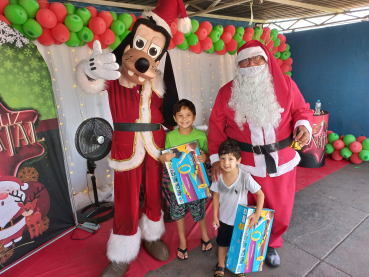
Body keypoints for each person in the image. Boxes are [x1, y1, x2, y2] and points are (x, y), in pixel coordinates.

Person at [75, 0, 192, 275]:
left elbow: (172, 111)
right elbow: (91, 80)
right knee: (125, 199)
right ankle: (122, 252)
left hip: (156, 147)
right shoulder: (115, 76)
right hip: (125, 147)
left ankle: (152, 236)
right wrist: (90, 69)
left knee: (154, 194)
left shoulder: (160, 81)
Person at [208, 40, 313, 268]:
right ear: (238, 65)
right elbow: (216, 127)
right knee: (242, 205)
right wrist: (216, 160)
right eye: (244, 61)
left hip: (281, 159)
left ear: (266, 61)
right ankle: (243, 242)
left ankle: (272, 243)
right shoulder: (227, 92)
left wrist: (304, 125)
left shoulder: (286, 84)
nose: (251, 64)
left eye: (256, 59)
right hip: (242, 164)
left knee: (280, 206)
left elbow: (301, 110)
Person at [159, 99, 212, 260]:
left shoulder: (201, 136)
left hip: (196, 184)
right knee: (179, 214)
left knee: (199, 212)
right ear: (174, 118)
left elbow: (207, 157)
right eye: (180, 115)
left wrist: (204, 157)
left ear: (194, 117)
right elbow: (162, 159)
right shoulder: (170, 137)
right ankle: (183, 242)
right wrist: (165, 157)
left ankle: (204, 236)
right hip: (177, 186)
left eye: (188, 114)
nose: (184, 118)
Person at [211, 139, 265, 277]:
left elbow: (260, 194)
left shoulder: (245, 177)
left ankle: (239, 266)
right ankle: (221, 265)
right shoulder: (218, 177)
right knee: (222, 244)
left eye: (230, 158)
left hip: (241, 221)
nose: (226, 162)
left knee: (241, 244)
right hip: (224, 219)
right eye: (222, 159)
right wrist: (215, 217)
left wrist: (257, 214)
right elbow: (216, 198)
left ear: (238, 160)